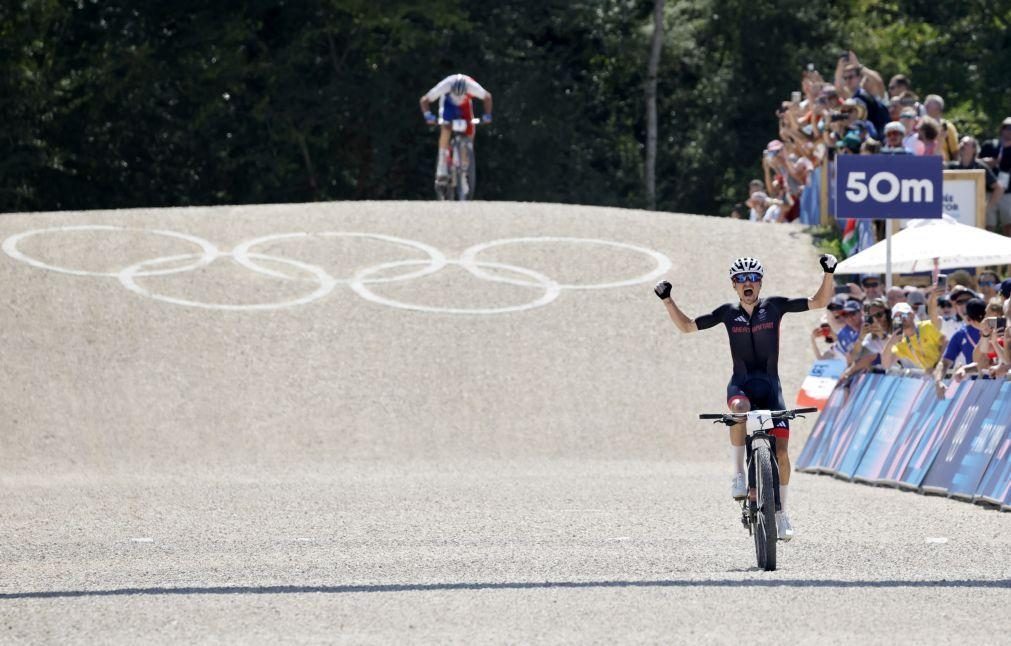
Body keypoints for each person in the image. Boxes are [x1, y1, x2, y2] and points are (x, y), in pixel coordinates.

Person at [654, 254, 837, 541]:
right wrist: (667, 300)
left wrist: (829, 272)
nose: (747, 283)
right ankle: (738, 474)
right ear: (734, 285)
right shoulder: (728, 313)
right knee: (739, 407)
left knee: (782, 453)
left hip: (770, 387)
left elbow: (819, 301)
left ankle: (781, 513)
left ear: (760, 283)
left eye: (752, 278)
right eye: (741, 279)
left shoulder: (774, 307)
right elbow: (688, 326)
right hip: (741, 385)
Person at [419, 73, 493, 188]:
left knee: (470, 131)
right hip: (448, 106)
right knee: (446, 128)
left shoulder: (471, 85)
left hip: (465, 107)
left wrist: (487, 115)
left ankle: (464, 167)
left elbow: (487, 97)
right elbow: (424, 100)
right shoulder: (446, 84)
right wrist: (428, 115)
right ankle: (442, 163)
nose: (458, 97)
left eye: (461, 94)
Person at [923, 95, 959, 161]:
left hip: (944, 168)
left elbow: (955, 152)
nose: (925, 107)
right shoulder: (921, 126)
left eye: (928, 106)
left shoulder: (947, 127)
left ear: (938, 109)